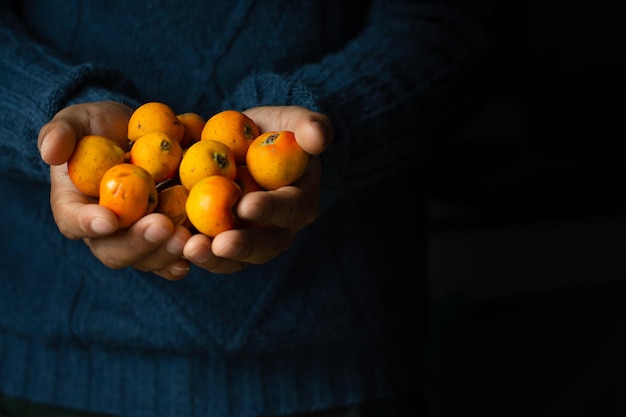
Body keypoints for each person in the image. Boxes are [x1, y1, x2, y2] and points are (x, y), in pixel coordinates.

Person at [0, 1, 512, 416]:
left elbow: (457, 21)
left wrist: (334, 117)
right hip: (55, 365)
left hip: (341, 365)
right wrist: (45, 109)